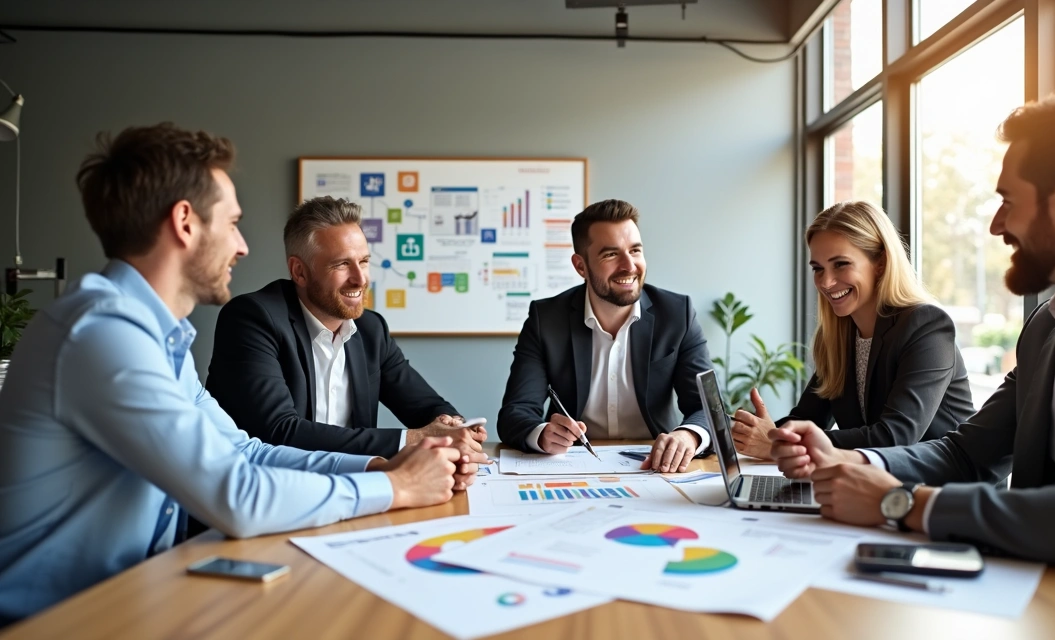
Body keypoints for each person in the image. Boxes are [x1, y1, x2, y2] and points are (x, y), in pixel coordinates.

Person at [770, 87, 1055, 622]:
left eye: (1009, 201)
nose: (996, 225)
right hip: (1038, 600)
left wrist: (903, 503)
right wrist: (855, 461)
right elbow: (967, 454)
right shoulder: (1049, 324)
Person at [0, 124, 462, 624]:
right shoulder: (102, 334)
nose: (242, 246)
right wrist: (398, 489)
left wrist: (381, 469)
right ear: (184, 222)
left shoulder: (157, 338)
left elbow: (248, 451)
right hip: (59, 621)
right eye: (233, 222)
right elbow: (236, 494)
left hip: (138, 595)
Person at [207, 196, 487, 487]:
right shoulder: (252, 318)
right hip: (268, 492)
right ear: (299, 271)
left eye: (364, 261)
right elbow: (277, 431)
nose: (360, 279)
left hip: (354, 488)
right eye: (342, 264)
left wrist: (456, 431)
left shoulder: (370, 328)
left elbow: (424, 404)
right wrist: (414, 439)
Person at [730, 201, 973, 459]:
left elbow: (896, 436)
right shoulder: (836, 336)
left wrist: (781, 444)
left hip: (947, 491)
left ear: (880, 262)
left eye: (841, 264)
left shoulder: (926, 326)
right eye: (818, 268)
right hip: (877, 484)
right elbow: (807, 419)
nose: (826, 281)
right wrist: (744, 433)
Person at [497, 199, 713, 473]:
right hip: (574, 468)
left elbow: (708, 408)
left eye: (635, 250)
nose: (629, 266)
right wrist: (541, 433)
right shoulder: (546, 319)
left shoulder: (677, 314)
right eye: (611, 255)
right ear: (581, 266)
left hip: (656, 468)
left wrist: (689, 435)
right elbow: (515, 412)